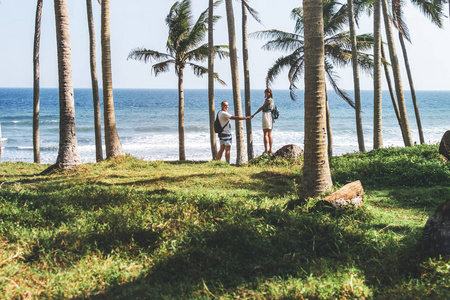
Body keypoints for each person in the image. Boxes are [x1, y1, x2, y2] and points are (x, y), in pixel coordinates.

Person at [251, 88, 274, 154]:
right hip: (270, 116)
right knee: (269, 133)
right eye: (265, 93)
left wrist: (254, 114)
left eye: (267, 93)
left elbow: (262, 107)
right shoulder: (272, 100)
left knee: (265, 133)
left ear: (269, 93)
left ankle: (266, 149)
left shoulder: (268, 100)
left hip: (266, 115)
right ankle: (270, 149)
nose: (266, 94)